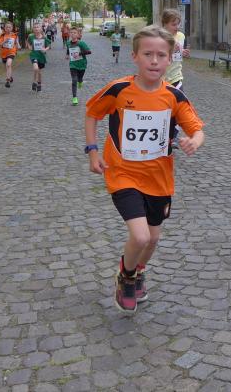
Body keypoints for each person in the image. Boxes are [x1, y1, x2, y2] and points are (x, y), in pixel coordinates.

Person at [84, 25, 205, 314]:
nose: (154, 60)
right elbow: (92, 113)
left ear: (170, 59)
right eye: (147, 54)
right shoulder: (119, 90)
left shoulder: (174, 96)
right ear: (135, 56)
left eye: (161, 55)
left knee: (153, 239)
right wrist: (92, 151)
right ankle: (125, 277)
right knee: (140, 237)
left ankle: (138, 270)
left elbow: (197, 129)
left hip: (159, 179)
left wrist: (194, 141)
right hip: (122, 174)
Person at [161, 9, 190, 91]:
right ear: (165, 24)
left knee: (180, 98)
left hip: (176, 77)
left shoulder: (181, 36)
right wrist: (171, 51)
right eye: (173, 24)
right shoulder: (159, 38)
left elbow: (178, 56)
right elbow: (157, 59)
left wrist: (183, 52)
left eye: (178, 24)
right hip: (161, 79)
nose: (177, 27)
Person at [67, 28, 91, 105]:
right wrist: (67, 55)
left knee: (79, 78)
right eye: (71, 32)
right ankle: (74, 98)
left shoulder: (81, 43)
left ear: (77, 34)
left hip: (82, 64)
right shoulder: (68, 43)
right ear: (69, 34)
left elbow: (89, 51)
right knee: (74, 80)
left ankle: (80, 81)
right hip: (73, 64)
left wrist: (79, 54)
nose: (73, 34)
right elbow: (68, 50)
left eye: (74, 33)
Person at [27, 22, 51, 92]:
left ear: (41, 29)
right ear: (33, 29)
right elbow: (28, 42)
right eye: (35, 27)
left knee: (39, 71)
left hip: (41, 56)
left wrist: (45, 49)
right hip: (34, 55)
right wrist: (29, 47)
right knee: (35, 68)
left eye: (38, 27)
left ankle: (39, 83)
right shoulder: (31, 36)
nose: (36, 28)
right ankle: (34, 81)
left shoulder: (44, 37)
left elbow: (49, 45)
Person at [0, 21, 19, 88]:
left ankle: (8, 81)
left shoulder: (14, 35)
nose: (8, 28)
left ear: (12, 28)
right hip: (3, 53)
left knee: (8, 64)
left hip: (11, 52)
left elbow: (16, 43)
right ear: (4, 28)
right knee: (6, 67)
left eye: (9, 27)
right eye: (7, 27)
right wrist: (4, 41)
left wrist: (17, 46)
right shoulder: (1, 35)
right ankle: (10, 77)